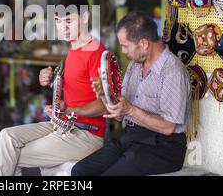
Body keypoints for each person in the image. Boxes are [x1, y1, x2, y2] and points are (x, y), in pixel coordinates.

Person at [0, 0, 106, 176]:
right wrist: (53, 79)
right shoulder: (74, 46)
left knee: (11, 156)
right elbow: (79, 85)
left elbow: (104, 106)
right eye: (58, 21)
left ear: (85, 17)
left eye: (69, 21)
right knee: (6, 137)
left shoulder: (96, 52)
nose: (63, 27)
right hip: (63, 125)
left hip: (86, 134)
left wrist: (68, 109)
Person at [72, 11, 191, 176]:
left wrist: (130, 110)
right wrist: (104, 93)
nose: (123, 51)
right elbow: (120, 114)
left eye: (125, 45)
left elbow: (168, 127)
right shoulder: (135, 66)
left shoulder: (173, 72)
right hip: (132, 137)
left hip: (164, 148)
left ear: (143, 43)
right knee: (80, 171)